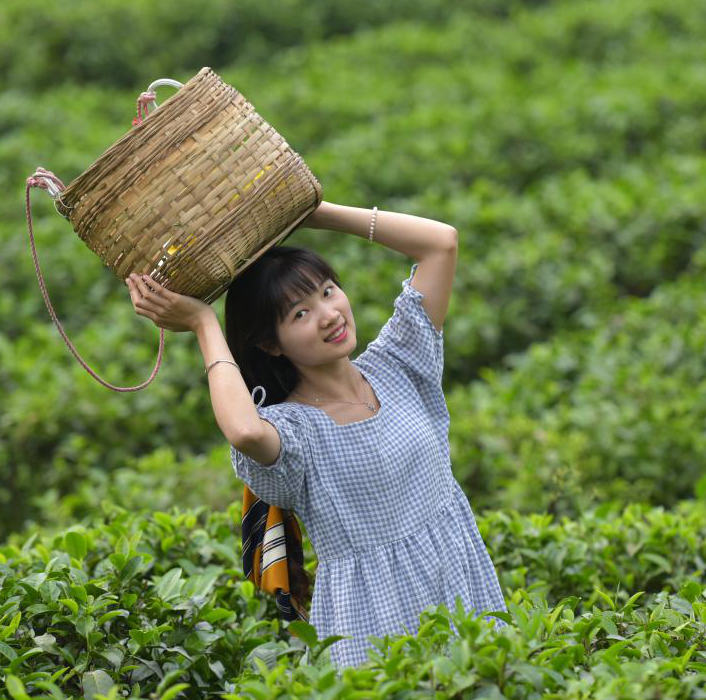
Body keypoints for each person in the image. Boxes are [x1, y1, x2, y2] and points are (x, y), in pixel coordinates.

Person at [124, 201, 507, 669]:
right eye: (300, 315)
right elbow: (244, 431)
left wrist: (311, 212)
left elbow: (440, 243)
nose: (328, 314)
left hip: (463, 585)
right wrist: (204, 323)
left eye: (328, 291)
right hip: (374, 622)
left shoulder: (398, 362)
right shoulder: (293, 429)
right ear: (270, 344)